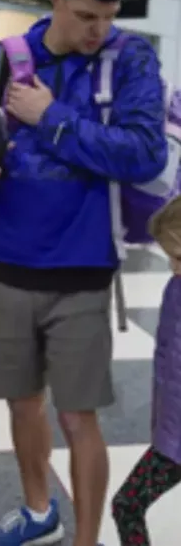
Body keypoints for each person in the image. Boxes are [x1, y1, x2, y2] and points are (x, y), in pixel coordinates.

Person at [0, 0, 167, 546]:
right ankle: (38, 514)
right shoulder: (5, 59)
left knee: (78, 415)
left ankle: (86, 540)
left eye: (108, 16)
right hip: (7, 265)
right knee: (21, 401)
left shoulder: (129, 60)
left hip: (84, 271)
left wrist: (50, 118)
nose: (97, 31)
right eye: (85, 15)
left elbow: (144, 153)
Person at [111, 196, 181, 546]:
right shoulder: (175, 289)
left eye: (179, 257)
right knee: (126, 505)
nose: (173, 266)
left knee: (127, 505)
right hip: (172, 437)